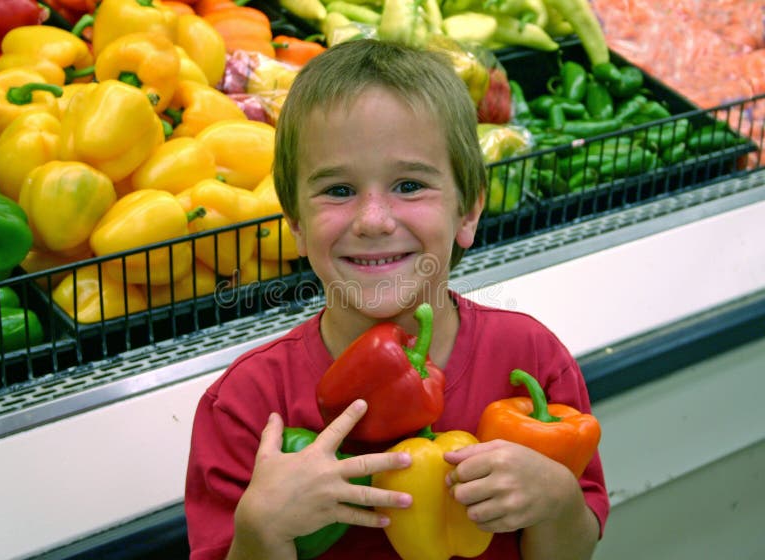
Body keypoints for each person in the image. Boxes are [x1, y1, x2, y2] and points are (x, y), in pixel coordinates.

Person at [185, 38, 609, 560]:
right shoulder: (245, 406)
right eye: (338, 191)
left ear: (468, 212)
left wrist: (558, 500)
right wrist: (260, 530)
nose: (374, 221)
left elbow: (573, 549)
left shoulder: (532, 358)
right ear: (295, 223)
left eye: (410, 185)